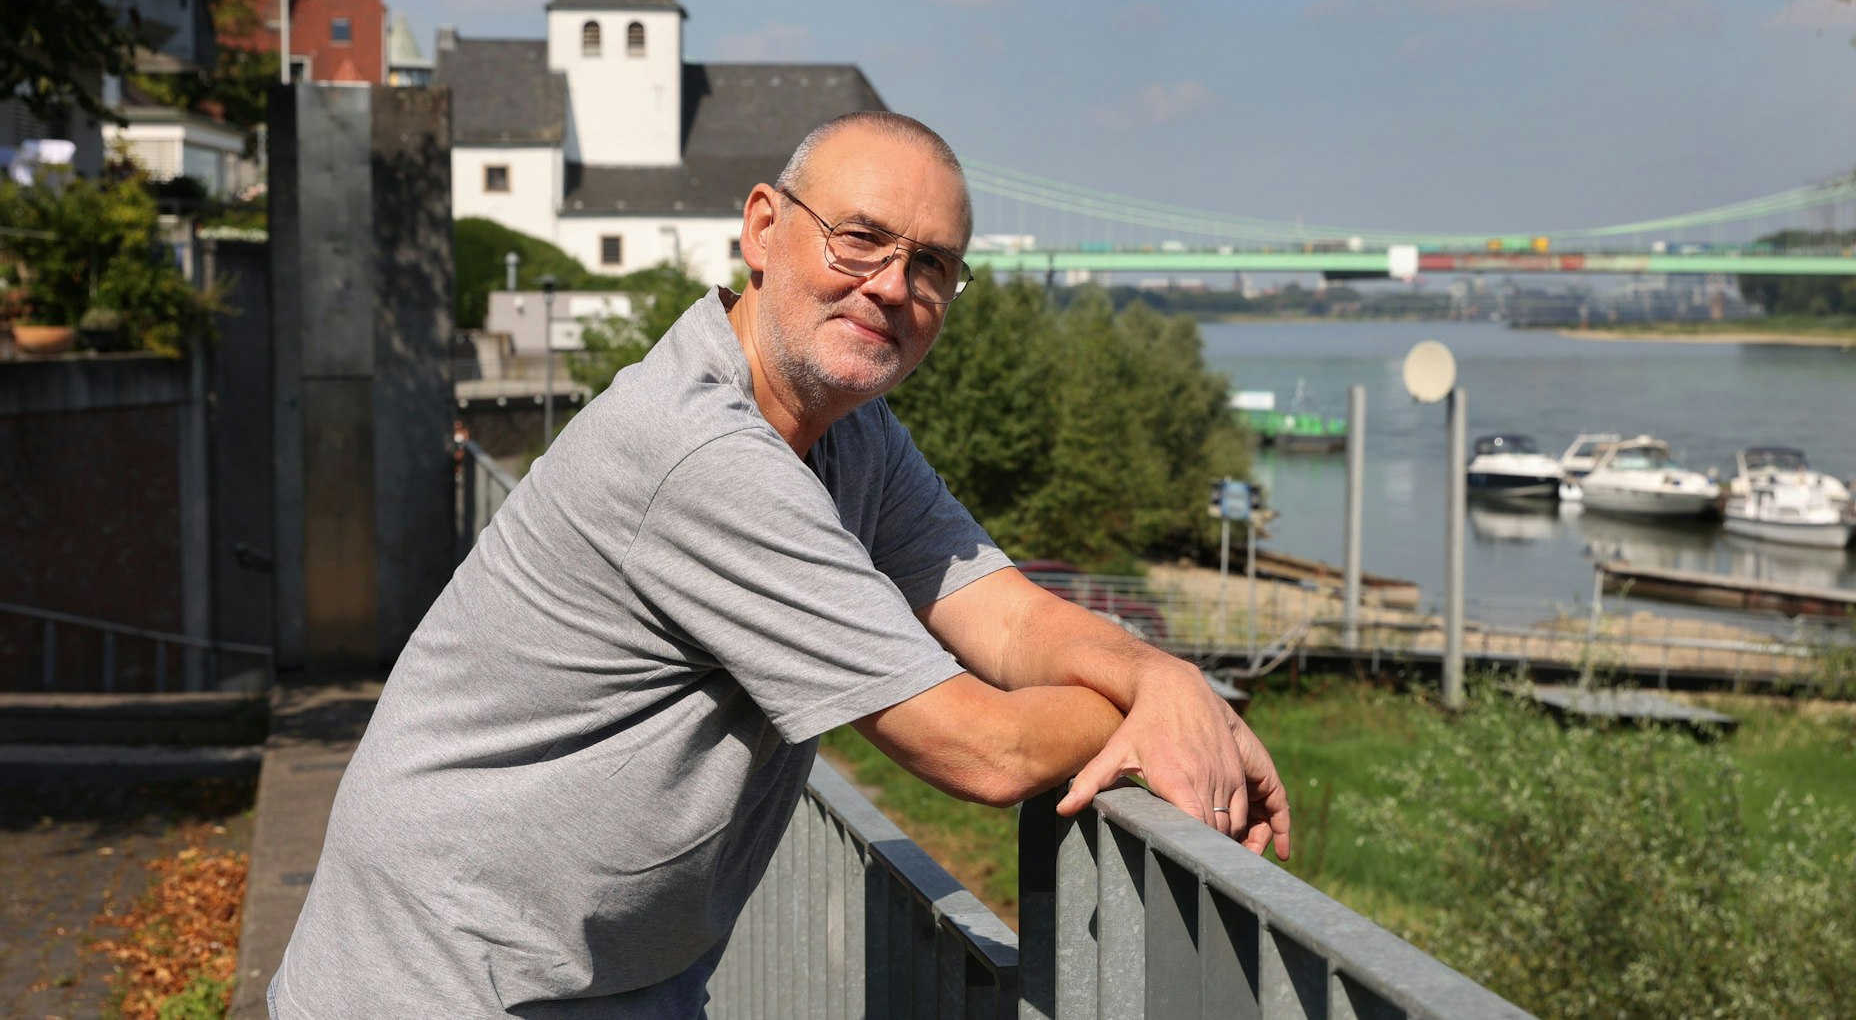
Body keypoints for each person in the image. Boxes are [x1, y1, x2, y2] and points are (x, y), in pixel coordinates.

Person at [268, 111, 1289, 1018]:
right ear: (762, 227)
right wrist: (1162, 717)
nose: (890, 286)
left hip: (606, 980)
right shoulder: (700, 452)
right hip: (444, 981)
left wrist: (1166, 681)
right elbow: (983, 751)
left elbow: (1012, 621)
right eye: (860, 239)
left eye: (930, 265)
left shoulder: (852, 436)